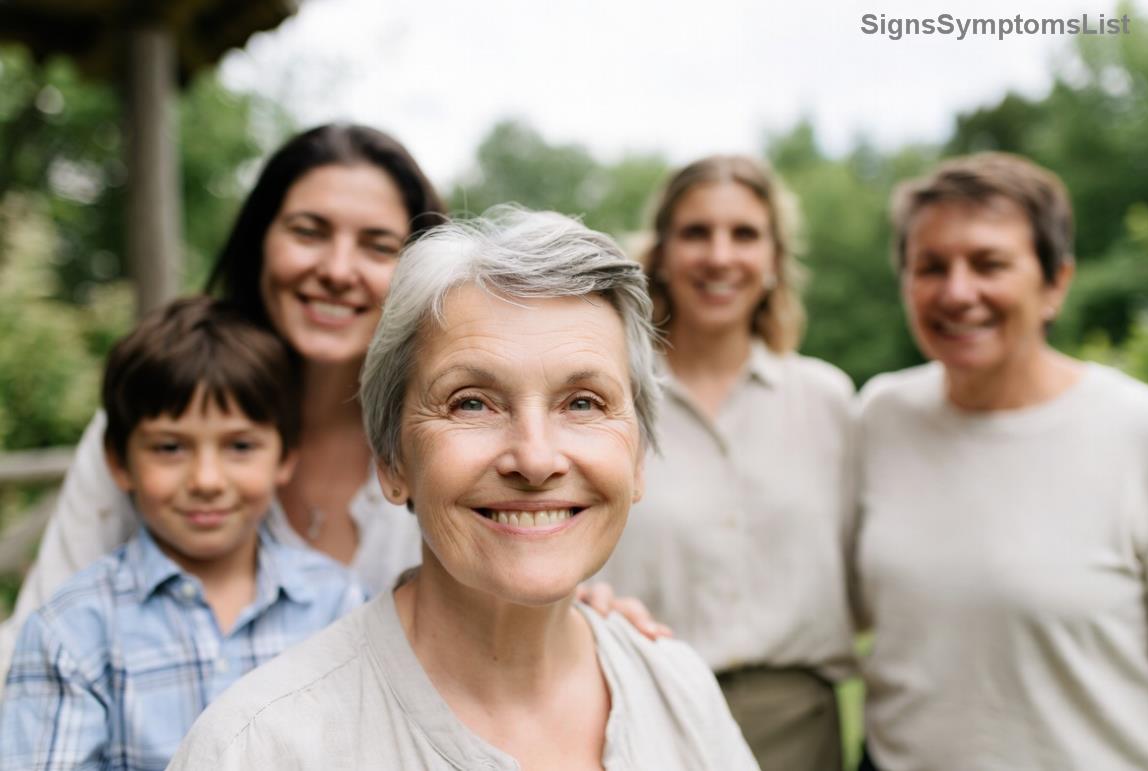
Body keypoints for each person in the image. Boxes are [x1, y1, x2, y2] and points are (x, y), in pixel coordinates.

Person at [166, 209, 758, 770]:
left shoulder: (680, 693)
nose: (534, 458)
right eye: (471, 402)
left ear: (637, 459)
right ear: (392, 462)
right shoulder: (262, 746)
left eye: (583, 403)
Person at [0, 124, 445, 688]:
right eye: (309, 232)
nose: (337, 269)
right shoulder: (156, 414)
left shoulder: (446, 441)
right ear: (260, 241)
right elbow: (34, 641)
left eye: (378, 246)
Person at [853, 152, 1148, 770]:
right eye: (931, 267)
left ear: (1055, 283)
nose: (958, 293)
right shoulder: (881, 415)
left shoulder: (1134, 429)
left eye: (989, 264)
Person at [0, 297, 363, 771]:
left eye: (240, 446)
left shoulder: (340, 606)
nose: (207, 480)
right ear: (118, 461)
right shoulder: (71, 632)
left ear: (285, 457)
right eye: (170, 447)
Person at [597, 155, 855, 770]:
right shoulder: (608, 399)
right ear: (659, 253)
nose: (719, 256)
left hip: (798, 724)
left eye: (744, 234)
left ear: (773, 259)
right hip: (641, 708)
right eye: (696, 233)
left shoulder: (826, 401)